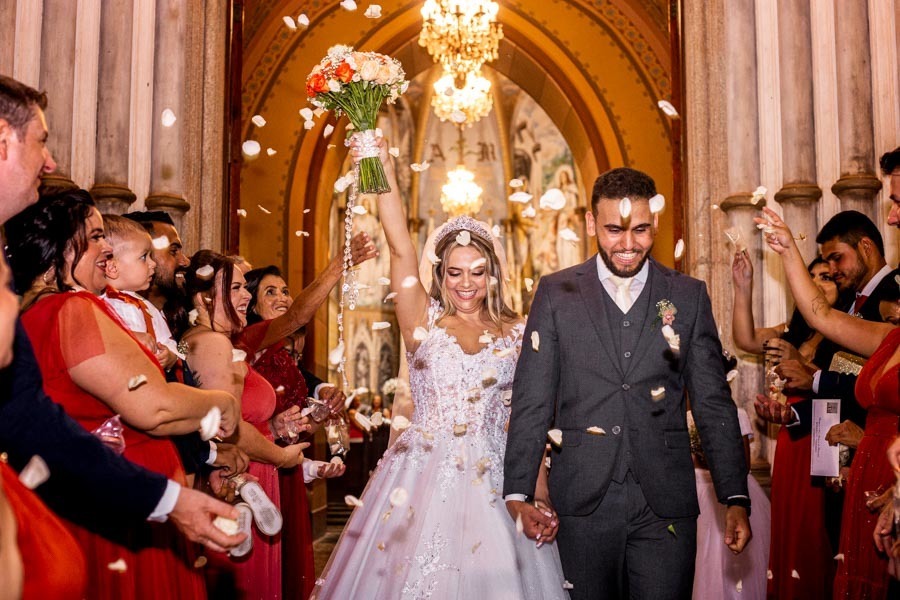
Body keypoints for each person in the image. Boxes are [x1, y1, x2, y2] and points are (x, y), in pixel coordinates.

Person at [0, 74, 244, 570]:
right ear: (3, 141)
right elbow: (150, 409)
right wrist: (220, 403)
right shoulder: (68, 309)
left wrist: (169, 499)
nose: (50, 163)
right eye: (41, 142)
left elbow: (29, 417)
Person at [312, 136, 569, 599]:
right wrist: (382, 166)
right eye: (455, 272)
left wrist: (540, 494)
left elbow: (524, 424)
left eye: (477, 271)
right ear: (440, 275)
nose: (466, 283)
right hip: (420, 477)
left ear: (493, 273)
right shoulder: (421, 320)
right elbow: (399, 248)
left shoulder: (517, 333)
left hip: (499, 480)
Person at [504, 167, 751, 599]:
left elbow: (712, 401)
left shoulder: (688, 295)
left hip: (665, 505)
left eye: (640, 230)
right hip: (581, 497)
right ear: (590, 223)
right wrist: (519, 492)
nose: (628, 244)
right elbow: (532, 398)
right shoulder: (555, 293)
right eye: (614, 230)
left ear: (655, 221)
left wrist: (735, 496)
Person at [758, 199, 898, 600]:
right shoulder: (888, 337)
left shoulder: (888, 305)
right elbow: (821, 315)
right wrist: (787, 250)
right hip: (862, 472)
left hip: (888, 474)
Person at [243, 253, 378, 600]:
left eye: (285, 291)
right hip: (257, 466)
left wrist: (317, 409)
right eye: (270, 292)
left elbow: (298, 406)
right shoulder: (246, 344)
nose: (283, 298)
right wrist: (340, 264)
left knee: (288, 565)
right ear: (253, 306)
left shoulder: (282, 354)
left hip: (288, 466)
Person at [180, 250, 308, 599]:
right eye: (234, 287)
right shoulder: (211, 343)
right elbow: (226, 427)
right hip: (236, 475)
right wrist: (281, 457)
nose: (246, 295)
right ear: (205, 297)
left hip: (252, 471)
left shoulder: (212, 341)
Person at [733, 252, 839, 599]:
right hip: (793, 439)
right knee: (790, 528)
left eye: (828, 276)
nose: (821, 284)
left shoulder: (846, 331)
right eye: (814, 277)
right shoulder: (793, 330)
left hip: (825, 438)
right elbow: (746, 339)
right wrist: (743, 286)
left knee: (816, 533)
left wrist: (799, 364)